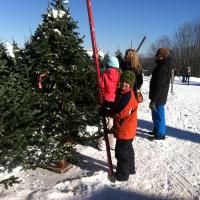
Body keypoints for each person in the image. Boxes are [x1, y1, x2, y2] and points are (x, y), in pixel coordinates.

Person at [105, 70, 138, 182]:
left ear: (131, 85)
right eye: (122, 81)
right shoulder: (125, 93)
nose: (124, 83)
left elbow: (120, 112)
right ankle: (130, 169)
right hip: (128, 130)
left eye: (127, 82)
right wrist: (107, 104)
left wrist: (107, 112)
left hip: (125, 131)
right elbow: (117, 105)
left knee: (121, 153)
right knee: (128, 150)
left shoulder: (127, 97)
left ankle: (122, 175)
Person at [97, 56, 121, 150]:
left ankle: (101, 145)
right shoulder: (119, 76)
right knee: (112, 122)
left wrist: (100, 99)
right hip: (114, 102)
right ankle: (112, 144)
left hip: (105, 102)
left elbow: (101, 88)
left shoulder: (104, 75)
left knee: (103, 122)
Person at [149, 48, 173, 140]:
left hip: (159, 97)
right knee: (155, 115)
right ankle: (156, 130)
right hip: (157, 96)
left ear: (161, 57)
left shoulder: (163, 67)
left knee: (159, 116)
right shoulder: (162, 65)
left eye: (156, 55)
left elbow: (159, 85)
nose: (155, 56)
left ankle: (160, 134)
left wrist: (154, 100)